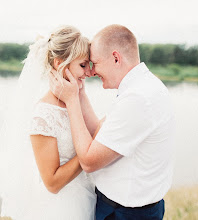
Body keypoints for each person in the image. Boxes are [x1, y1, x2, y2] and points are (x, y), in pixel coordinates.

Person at [49, 24, 175, 220]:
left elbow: (89, 162)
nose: (90, 72)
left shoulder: (138, 99)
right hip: (127, 209)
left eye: (94, 63)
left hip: (125, 213)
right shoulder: (143, 87)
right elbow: (100, 134)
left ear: (116, 58)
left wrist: (71, 101)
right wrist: (80, 93)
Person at [0, 25, 96, 220]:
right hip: (61, 208)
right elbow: (51, 182)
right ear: (60, 64)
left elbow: (95, 129)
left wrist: (80, 96)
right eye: (83, 65)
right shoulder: (43, 116)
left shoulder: (75, 100)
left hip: (85, 197)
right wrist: (90, 152)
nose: (89, 72)